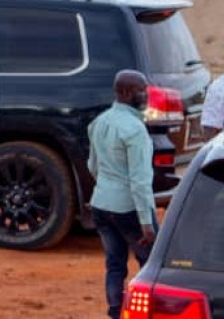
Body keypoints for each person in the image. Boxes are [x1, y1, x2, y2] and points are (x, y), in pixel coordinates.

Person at [88, 69, 158, 319]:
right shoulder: (135, 130)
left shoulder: (99, 121)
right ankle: (145, 314)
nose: (146, 95)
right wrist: (147, 224)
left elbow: (92, 166)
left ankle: (116, 313)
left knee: (115, 265)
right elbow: (140, 181)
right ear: (128, 92)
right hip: (129, 209)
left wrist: (108, 187)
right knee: (151, 267)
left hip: (101, 204)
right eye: (142, 90)